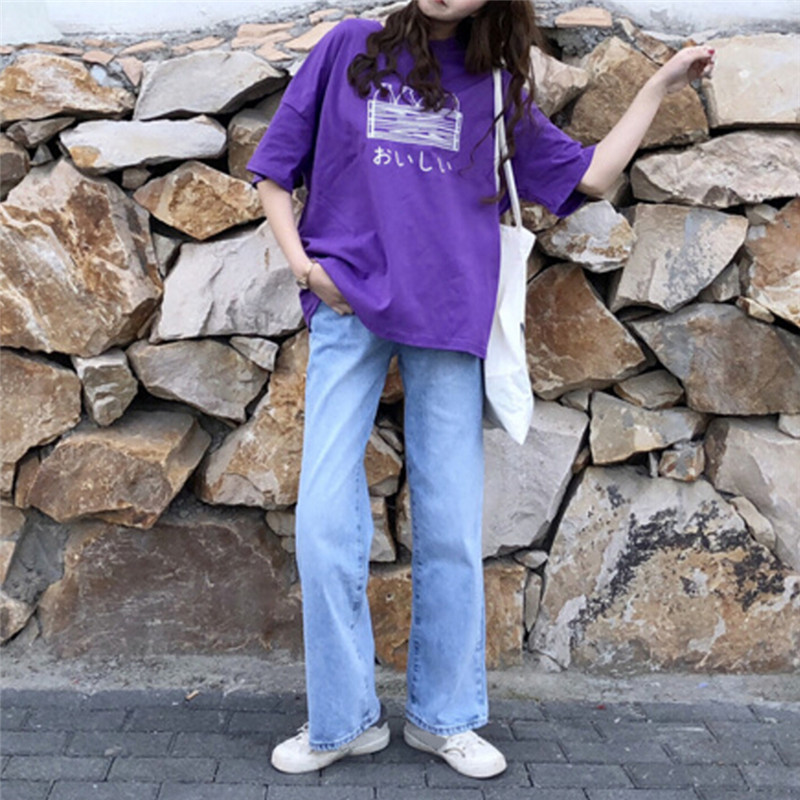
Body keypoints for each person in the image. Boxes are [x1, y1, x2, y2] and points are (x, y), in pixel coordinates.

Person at [247, 0, 714, 780]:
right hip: (346, 305)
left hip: (449, 312)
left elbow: (591, 177)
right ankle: (342, 720)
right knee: (323, 520)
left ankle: (446, 718)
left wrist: (660, 85)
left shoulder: (494, 84)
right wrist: (304, 268)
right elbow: (274, 167)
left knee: (452, 529)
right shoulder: (349, 48)